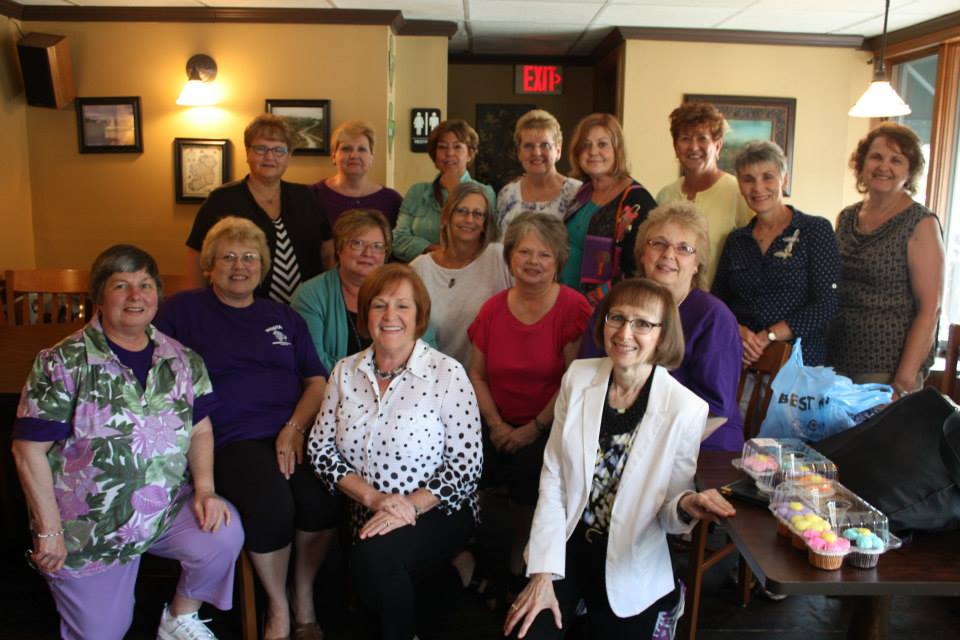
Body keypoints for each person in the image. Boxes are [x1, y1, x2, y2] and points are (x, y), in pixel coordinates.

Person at [11, 244, 243, 640]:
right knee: (103, 633)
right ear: (99, 297)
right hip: (90, 528)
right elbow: (27, 450)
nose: (136, 296)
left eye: (145, 285)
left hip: (162, 509)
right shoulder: (62, 362)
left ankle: (179, 618)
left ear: (157, 295)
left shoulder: (182, 360)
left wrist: (205, 490)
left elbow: (199, 428)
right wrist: (49, 530)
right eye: (121, 285)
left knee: (223, 533)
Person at [504, 278, 737, 640]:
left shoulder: (685, 409)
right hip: (568, 545)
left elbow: (669, 515)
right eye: (617, 318)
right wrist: (542, 574)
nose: (625, 332)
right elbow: (554, 480)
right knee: (525, 633)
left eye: (642, 323)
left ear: (663, 335)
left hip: (631, 558)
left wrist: (687, 505)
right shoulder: (578, 378)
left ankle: (667, 599)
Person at [156, 218, 337, 640]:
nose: (240, 266)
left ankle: (303, 596)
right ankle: (277, 606)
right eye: (229, 257)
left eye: (250, 257)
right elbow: (155, 369)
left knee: (320, 499)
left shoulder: (284, 317)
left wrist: (294, 427)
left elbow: (316, 381)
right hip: (227, 438)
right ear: (209, 266)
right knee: (271, 506)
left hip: (291, 432)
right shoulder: (183, 311)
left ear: (263, 265)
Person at [308, 264, 482, 640]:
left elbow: (467, 466)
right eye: (379, 305)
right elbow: (320, 449)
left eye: (402, 306)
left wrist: (410, 507)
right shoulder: (344, 372)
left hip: (437, 509)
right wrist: (373, 498)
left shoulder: (447, 373)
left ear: (419, 316)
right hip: (367, 509)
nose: (390, 316)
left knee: (375, 561)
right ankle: (454, 576)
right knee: (379, 578)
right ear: (364, 314)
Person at [468, 212, 592, 593]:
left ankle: (520, 555)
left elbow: (573, 382)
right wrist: (496, 425)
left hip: (551, 423)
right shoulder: (492, 309)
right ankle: (465, 552)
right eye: (524, 252)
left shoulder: (573, 308)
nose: (533, 261)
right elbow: (477, 375)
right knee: (461, 459)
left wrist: (532, 429)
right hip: (496, 419)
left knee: (527, 469)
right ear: (510, 256)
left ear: (558, 261)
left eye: (544, 254)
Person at [580, 202, 744, 451]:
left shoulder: (714, 318)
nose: (668, 254)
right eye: (658, 243)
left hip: (699, 447)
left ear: (697, 263)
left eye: (684, 248)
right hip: (615, 435)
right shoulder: (615, 303)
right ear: (641, 254)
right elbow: (587, 373)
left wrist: (641, 446)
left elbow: (714, 410)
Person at [828, 123, 945, 397]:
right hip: (837, 361)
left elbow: (930, 310)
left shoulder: (920, 223)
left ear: (909, 171)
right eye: (876, 157)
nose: (884, 166)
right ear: (862, 164)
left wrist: (902, 383)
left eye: (896, 160)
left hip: (887, 369)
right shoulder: (846, 217)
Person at [713, 140, 840, 367]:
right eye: (748, 179)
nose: (758, 187)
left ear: (784, 179)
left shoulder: (815, 230)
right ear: (740, 186)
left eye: (767, 177)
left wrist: (769, 335)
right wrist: (739, 331)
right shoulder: (736, 240)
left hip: (799, 364)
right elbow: (718, 302)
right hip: (742, 361)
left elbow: (826, 303)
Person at [185, 113, 334, 303]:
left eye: (279, 150)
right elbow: (196, 257)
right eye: (261, 148)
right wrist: (196, 306)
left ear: (289, 156)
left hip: (307, 308)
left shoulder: (306, 197)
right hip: (240, 308)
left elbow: (327, 254)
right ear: (247, 152)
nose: (269, 157)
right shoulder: (221, 200)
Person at [411, 183, 512, 367]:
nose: (469, 219)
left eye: (478, 214)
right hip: (433, 375)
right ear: (445, 218)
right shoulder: (420, 268)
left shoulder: (500, 257)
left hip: (490, 375)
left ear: (485, 223)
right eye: (461, 211)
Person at [560, 113, 657, 305]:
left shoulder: (638, 201)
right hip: (566, 300)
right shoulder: (583, 192)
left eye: (602, 144)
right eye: (586, 145)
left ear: (617, 150)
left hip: (606, 307)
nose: (593, 151)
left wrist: (591, 302)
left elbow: (637, 269)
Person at [656, 102, 753, 287]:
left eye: (702, 138)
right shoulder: (665, 195)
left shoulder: (738, 193)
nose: (693, 147)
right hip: (668, 300)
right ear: (676, 147)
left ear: (718, 145)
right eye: (685, 138)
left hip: (718, 301)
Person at [292, 208, 393, 372]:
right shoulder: (310, 295)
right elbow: (313, 361)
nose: (368, 253)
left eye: (377, 246)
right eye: (358, 244)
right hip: (333, 386)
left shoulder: (402, 292)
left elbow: (422, 348)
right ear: (339, 248)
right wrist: (369, 379)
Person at [393, 119, 496, 262]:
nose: (449, 153)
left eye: (457, 146)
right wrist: (436, 251)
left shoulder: (485, 193)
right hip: (420, 271)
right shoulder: (417, 192)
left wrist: (455, 190)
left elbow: (486, 241)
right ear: (434, 155)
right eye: (442, 147)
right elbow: (398, 240)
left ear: (469, 154)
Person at [496, 109, 582, 228]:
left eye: (545, 145)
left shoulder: (577, 193)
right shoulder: (506, 194)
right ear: (519, 152)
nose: (536, 153)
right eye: (528, 146)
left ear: (558, 150)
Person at [310, 119, 403, 228]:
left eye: (362, 149)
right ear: (334, 156)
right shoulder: (311, 196)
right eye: (346, 149)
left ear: (371, 157)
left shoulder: (392, 200)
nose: (354, 155)